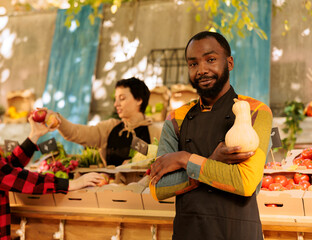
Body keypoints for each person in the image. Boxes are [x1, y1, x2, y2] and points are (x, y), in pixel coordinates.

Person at [149, 31, 273, 240]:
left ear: (230, 63)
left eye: (211, 59)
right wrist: (213, 161)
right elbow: (158, 187)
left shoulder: (256, 111)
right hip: (188, 232)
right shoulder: (176, 118)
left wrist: (183, 159)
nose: (202, 70)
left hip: (239, 233)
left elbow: (244, 182)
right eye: (193, 64)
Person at [0, 89, 104, 240]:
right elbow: (16, 178)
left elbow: (6, 169)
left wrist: (34, 135)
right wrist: (70, 184)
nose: (0, 122)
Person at [47, 77, 162, 167]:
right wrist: (58, 119)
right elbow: (76, 133)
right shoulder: (109, 127)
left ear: (139, 100)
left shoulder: (156, 132)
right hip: (111, 191)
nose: (116, 104)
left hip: (143, 194)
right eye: (115, 99)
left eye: (122, 98)